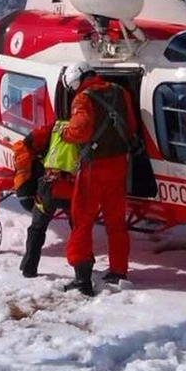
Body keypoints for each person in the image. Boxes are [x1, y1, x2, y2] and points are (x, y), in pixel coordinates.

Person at [58, 61, 138, 296]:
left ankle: (82, 277)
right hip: (119, 164)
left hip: (94, 168)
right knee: (116, 220)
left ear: (76, 81)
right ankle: (119, 270)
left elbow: (80, 130)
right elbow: (131, 125)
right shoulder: (119, 91)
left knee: (81, 219)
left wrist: (65, 132)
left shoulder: (83, 98)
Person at [16, 120, 77, 278]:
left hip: (50, 184)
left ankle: (29, 267)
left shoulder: (54, 127)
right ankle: (82, 271)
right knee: (79, 228)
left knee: (37, 227)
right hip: (73, 187)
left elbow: (28, 143)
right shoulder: (87, 128)